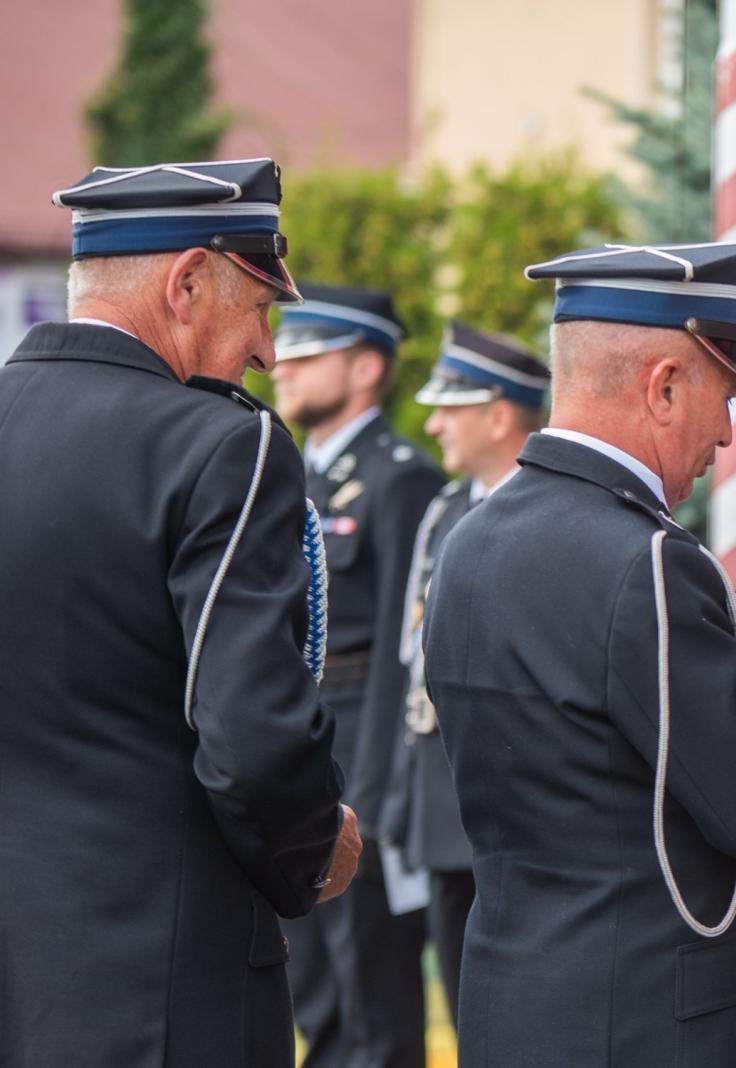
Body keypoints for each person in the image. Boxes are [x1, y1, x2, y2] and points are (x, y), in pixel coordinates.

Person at [423, 240, 736, 1068]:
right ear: (664, 387)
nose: (725, 432)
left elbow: (607, 759)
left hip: (518, 1010)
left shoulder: (468, 543)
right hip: (660, 1021)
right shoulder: (645, 561)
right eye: (722, 396)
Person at [0, 158, 360, 1067]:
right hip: (159, 988)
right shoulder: (219, 447)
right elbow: (252, 736)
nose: (268, 352)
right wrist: (316, 849)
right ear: (188, 281)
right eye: (260, 308)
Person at [271, 284, 444, 1068]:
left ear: (367, 367)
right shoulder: (285, 475)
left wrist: (371, 797)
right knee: (311, 998)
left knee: (373, 1008)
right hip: (298, 754)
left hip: (358, 763)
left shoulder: (401, 478)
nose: (282, 367)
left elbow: (405, 658)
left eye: (307, 355)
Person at [378, 320, 552, 1023]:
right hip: (438, 793)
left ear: (500, 416)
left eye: (451, 407)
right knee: (461, 1001)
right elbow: (410, 662)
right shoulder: (447, 509)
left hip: (513, 799)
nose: (434, 423)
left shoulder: (545, 508)